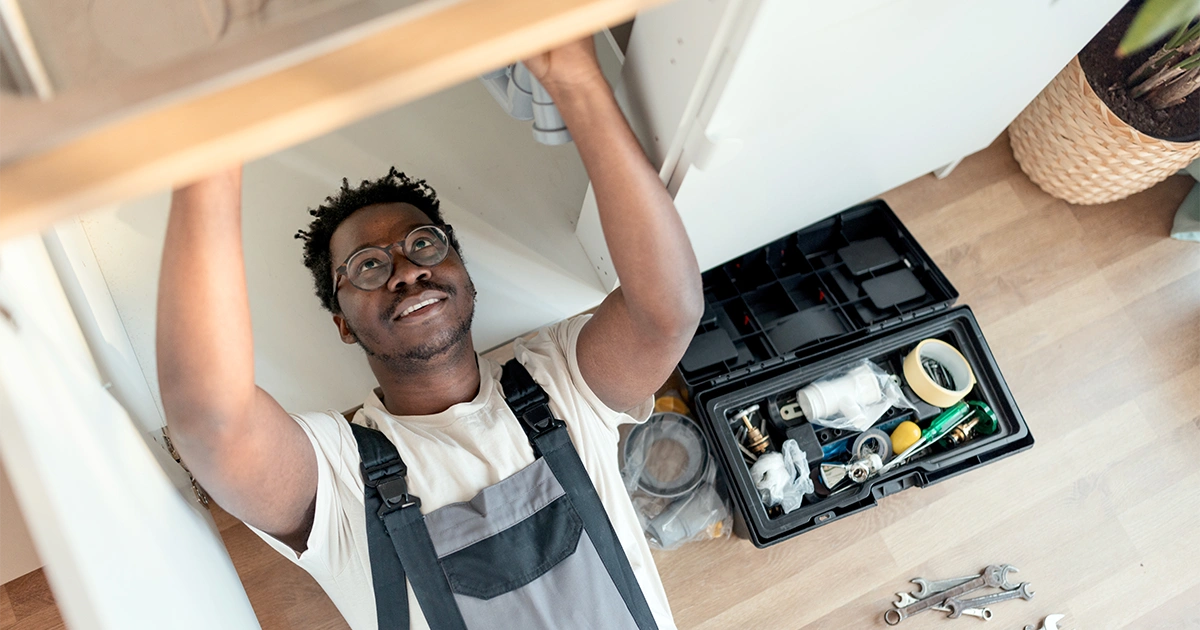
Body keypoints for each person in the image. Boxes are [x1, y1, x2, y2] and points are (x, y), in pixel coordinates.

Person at [157, 36, 702, 630]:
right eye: (368, 265)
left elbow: (666, 311)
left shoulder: (560, 380)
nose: (407, 269)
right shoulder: (340, 480)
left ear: (464, 279)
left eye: (423, 243)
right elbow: (211, 419)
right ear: (342, 324)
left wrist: (573, 77)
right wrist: (212, 148)